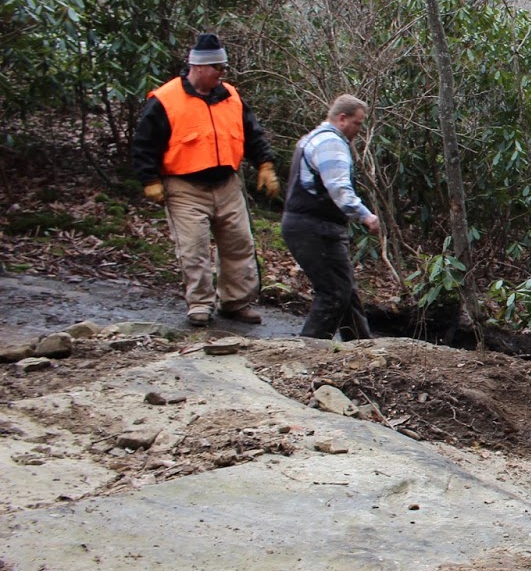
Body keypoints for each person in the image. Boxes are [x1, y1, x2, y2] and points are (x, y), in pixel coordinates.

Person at [131, 32, 278, 328]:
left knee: (239, 244)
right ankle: (199, 303)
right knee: (194, 248)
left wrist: (265, 164)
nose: (222, 74)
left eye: (224, 68)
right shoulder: (166, 100)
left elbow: (252, 133)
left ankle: (236, 302)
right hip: (184, 187)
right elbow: (144, 144)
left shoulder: (231, 96)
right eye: (217, 68)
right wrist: (150, 180)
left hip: (227, 184)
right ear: (198, 66)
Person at [281, 94, 381, 340]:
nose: (359, 130)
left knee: (346, 291)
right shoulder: (330, 143)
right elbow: (338, 187)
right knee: (334, 292)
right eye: (358, 123)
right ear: (342, 118)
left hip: (308, 225)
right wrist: (365, 216)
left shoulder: (311, 138)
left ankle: (362, 347)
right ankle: (310, 349)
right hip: (315, 228)